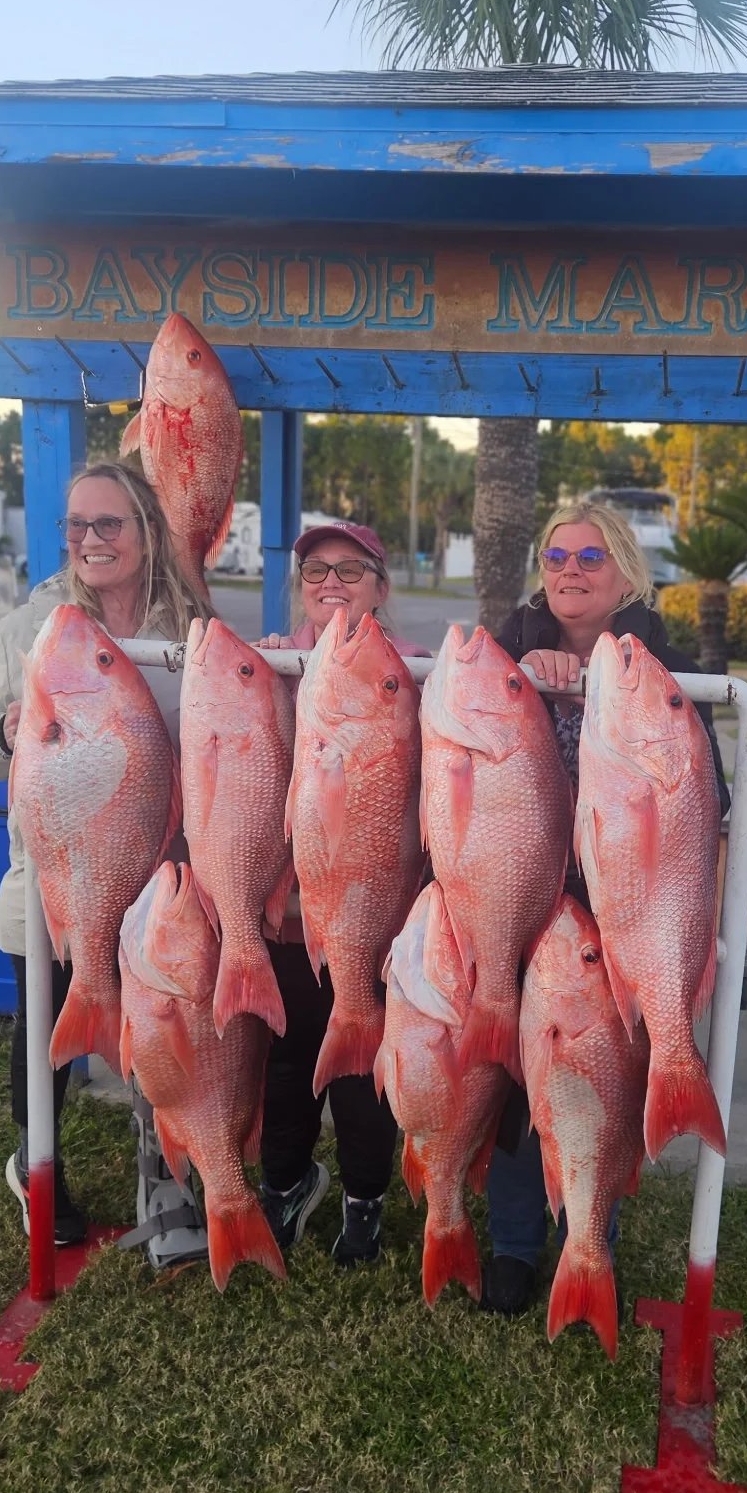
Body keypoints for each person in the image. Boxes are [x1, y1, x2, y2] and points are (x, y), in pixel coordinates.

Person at [482, 497, 730, 1317]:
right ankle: (515, 1246)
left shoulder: (666, 674)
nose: (570, 573)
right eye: (557, 558)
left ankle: (595, 1242)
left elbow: (705, 817)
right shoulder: (508, 649)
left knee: (609, 1075)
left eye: (591, 558)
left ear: (625, 571)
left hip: (629, 919)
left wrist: (706, 938)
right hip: (525, 905)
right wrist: (533, 681)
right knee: (522, 1077)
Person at [0, 463, 212, 1259]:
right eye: (77, 525)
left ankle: (166, 1178)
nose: (89, 540)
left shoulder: (191, 623)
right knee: (46, 1032)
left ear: (147, 530)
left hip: (157, 872)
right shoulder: (30, 625)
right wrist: (5, 733)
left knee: (163, 1022)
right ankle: (39, 1168)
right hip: (57, 871)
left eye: (109, 524)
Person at [257, 519, 431, 1268]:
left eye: (351, 570)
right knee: (288, 1059)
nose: (331, 582)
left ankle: (365, 1197)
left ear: (381, 586)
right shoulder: (273, 663)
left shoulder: (414, 669)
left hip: (376, 912)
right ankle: (287, 1181)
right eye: (316, 571)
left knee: (364, 1071)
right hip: (293, 915)